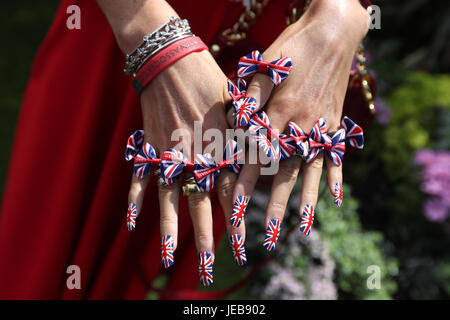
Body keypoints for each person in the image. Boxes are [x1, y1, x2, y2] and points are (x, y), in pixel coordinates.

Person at [0, 0, 369, 299]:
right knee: (45, 242)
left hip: (255, 45)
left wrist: (342, 15)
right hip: (125, 30)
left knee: (161, 240)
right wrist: (150, 35)